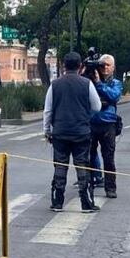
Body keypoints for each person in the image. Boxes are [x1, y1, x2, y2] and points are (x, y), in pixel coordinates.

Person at [43, 53, 102, 212]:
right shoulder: (86, 83)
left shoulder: (54, 85)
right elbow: (97, 107)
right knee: (82, 166)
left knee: (60, 166)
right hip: (81, 132)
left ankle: (57, 202)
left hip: (60, 132)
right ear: (80, 67)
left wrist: (47, 130)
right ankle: (86, 203)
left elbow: (48, 111)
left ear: (63, 66)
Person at [88, 54, 123, 199]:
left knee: (108, 158)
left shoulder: (115, 83)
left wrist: (99, 84)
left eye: (108, 65)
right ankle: (89, 183)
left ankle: (110, 187)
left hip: (108, 124)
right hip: (91, 123)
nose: (105, 68)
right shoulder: (91, 81)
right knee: (88, 156)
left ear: (113, 67)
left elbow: (114, 96)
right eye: (103, 65)